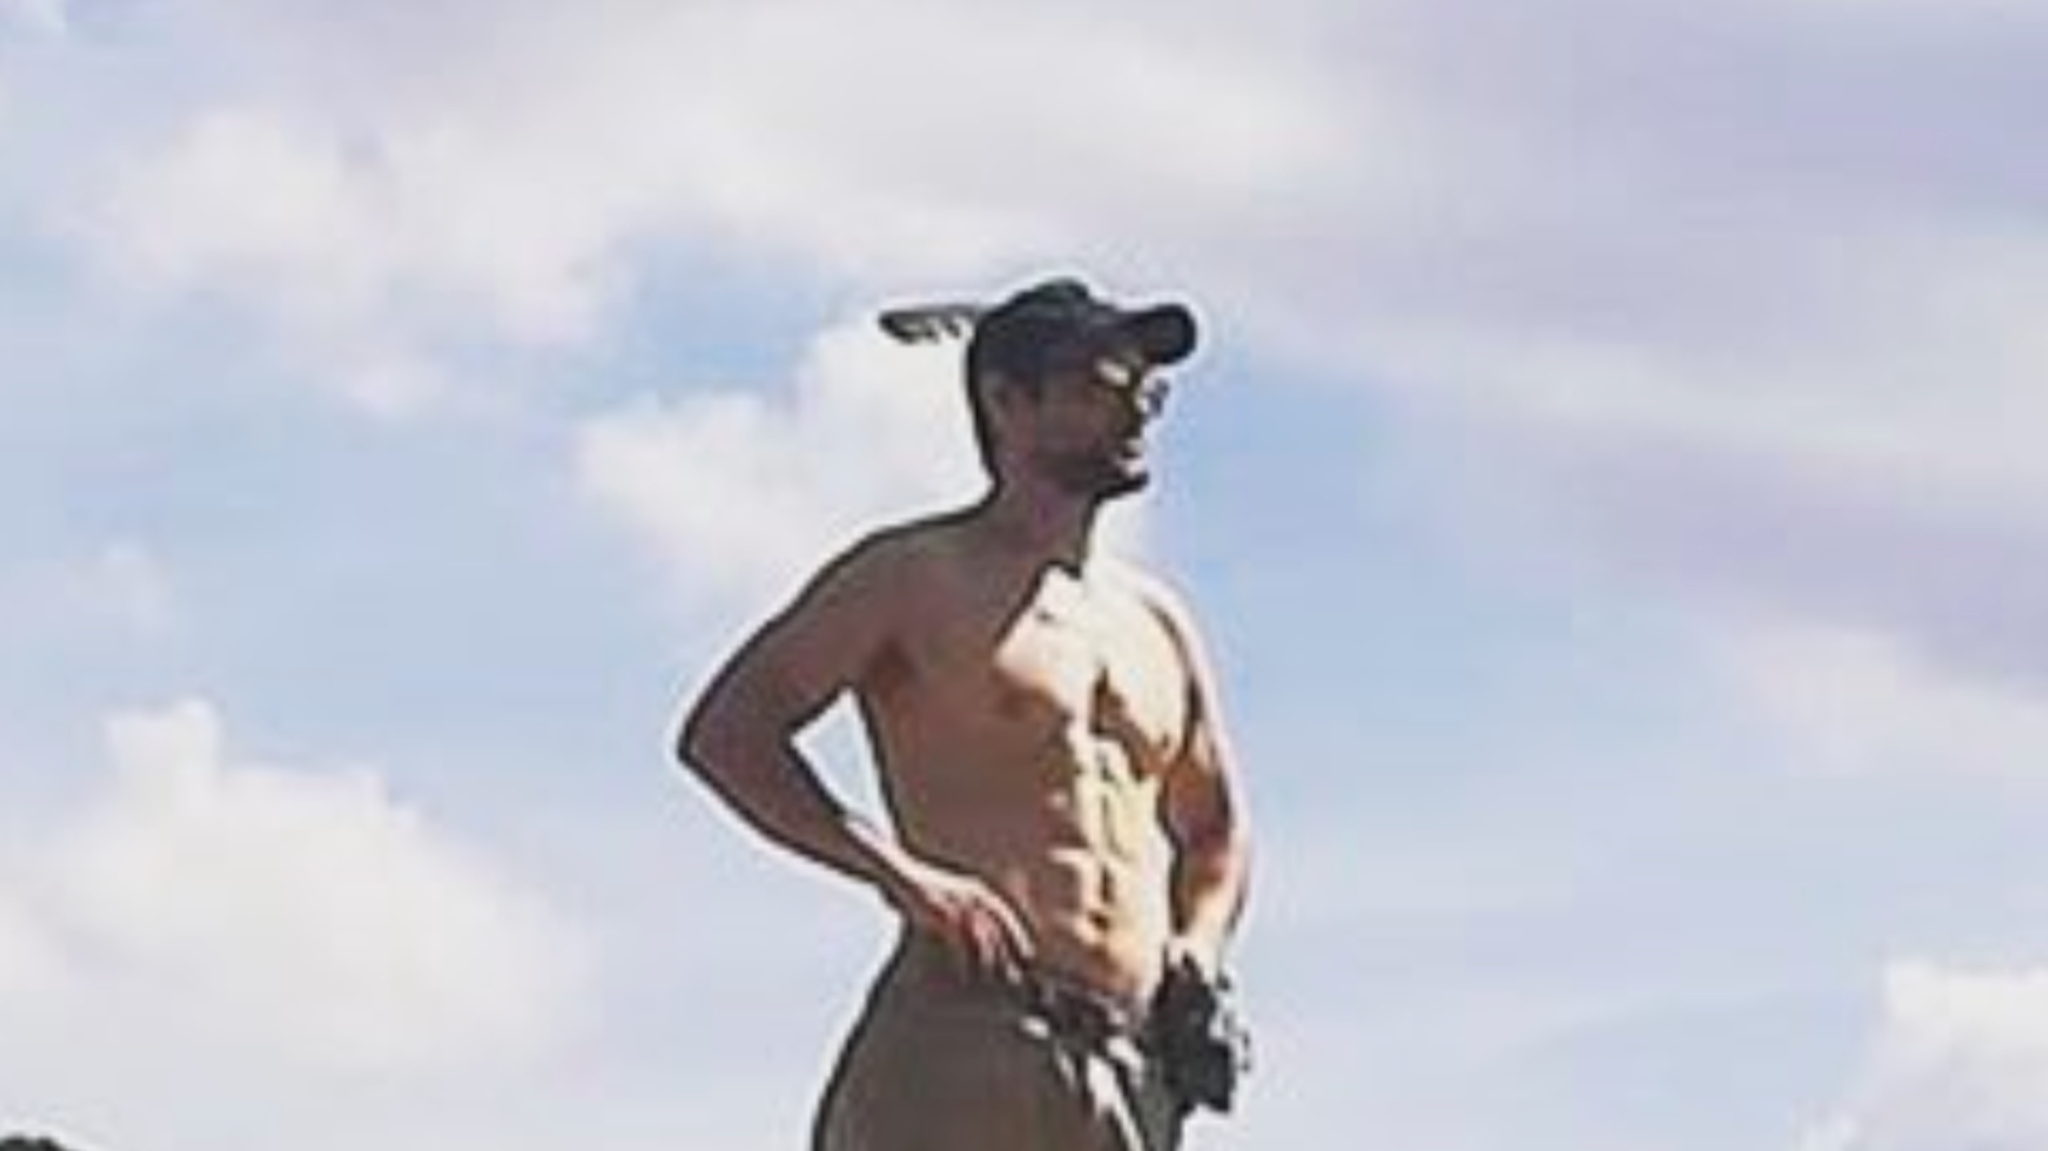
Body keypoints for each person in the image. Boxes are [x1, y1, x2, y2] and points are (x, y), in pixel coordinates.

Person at [676, 276, 1253, 1151]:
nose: (1133, 409)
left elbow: (1215, 827)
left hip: (1126, 1055)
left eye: (1146, 389)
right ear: (1007, 402)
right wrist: (901, 873)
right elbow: (728, 733)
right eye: (1098, 385)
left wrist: (1197, 949)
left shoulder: (1155, 619)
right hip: (967, 1025)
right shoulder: (914, 574)